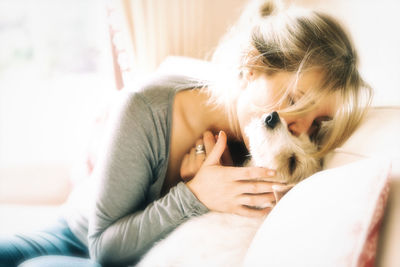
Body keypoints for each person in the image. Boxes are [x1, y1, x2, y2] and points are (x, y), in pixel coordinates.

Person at [0, 0, 372, 266]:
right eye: (295, 100)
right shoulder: (145, 106)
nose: (299, 131)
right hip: (75, 234)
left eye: (316, 122)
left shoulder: (268, 148)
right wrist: (194, 195)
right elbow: (103, 248)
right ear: (252, 67)